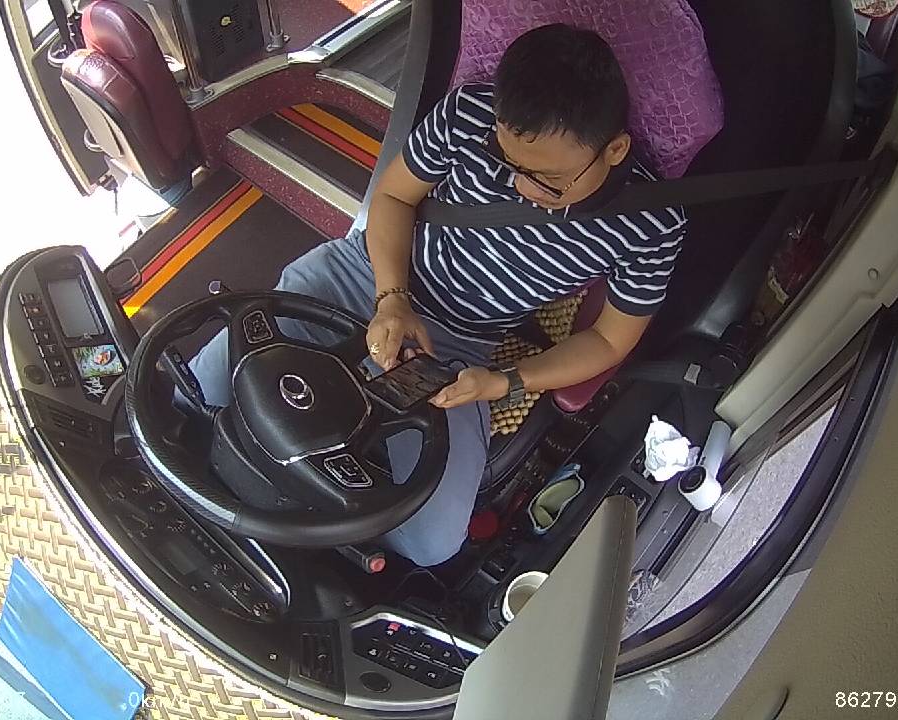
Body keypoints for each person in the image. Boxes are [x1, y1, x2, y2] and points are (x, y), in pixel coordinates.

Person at [190, 23, 685, 566]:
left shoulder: (651, 221)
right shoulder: (468, 113)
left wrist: (506, 381)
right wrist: (392, 297)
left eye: (548, 181)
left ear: (614, 149)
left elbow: (610, 341)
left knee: (432, 544)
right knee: (192, 395)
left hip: (456, 349)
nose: (520, 188)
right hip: (359, 276)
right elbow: (394, 198)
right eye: (508, 164)